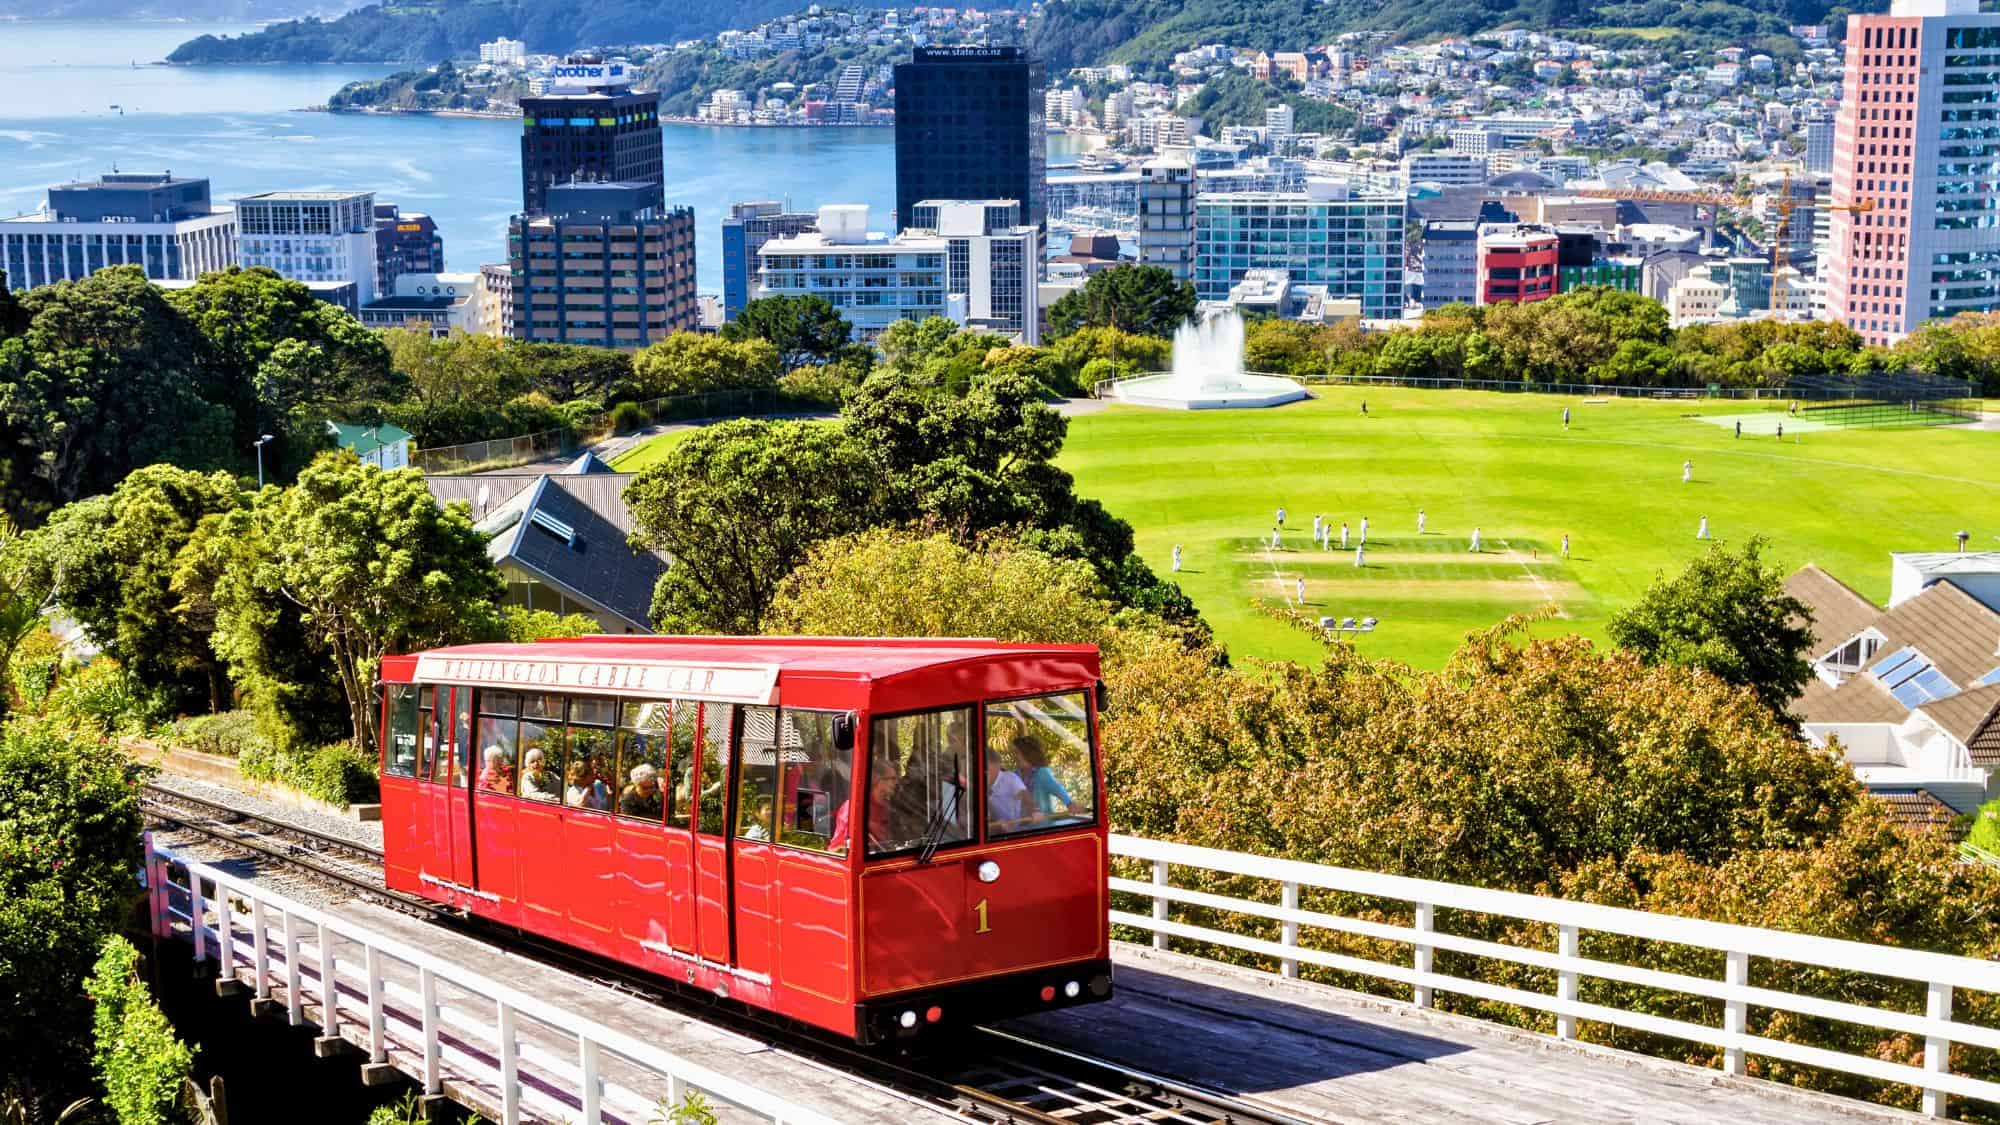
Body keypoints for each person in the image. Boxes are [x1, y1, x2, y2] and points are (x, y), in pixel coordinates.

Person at [1013, 736, 1080, 817]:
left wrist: (1070, 804)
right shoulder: (1015, 775)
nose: (1014, 756)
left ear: (1027, 753)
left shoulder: (1041, 773)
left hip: (1043, 825)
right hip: (1022, 826)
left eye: (1017, 753)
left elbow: (1057, 788)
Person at [985, 746, 1027, 825]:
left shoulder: (1010, 778)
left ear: (997, 765)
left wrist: (1035, 811)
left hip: (1012, 829)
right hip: (996, 825)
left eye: (987, 767)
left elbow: (1025, 796)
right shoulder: (983, 784)